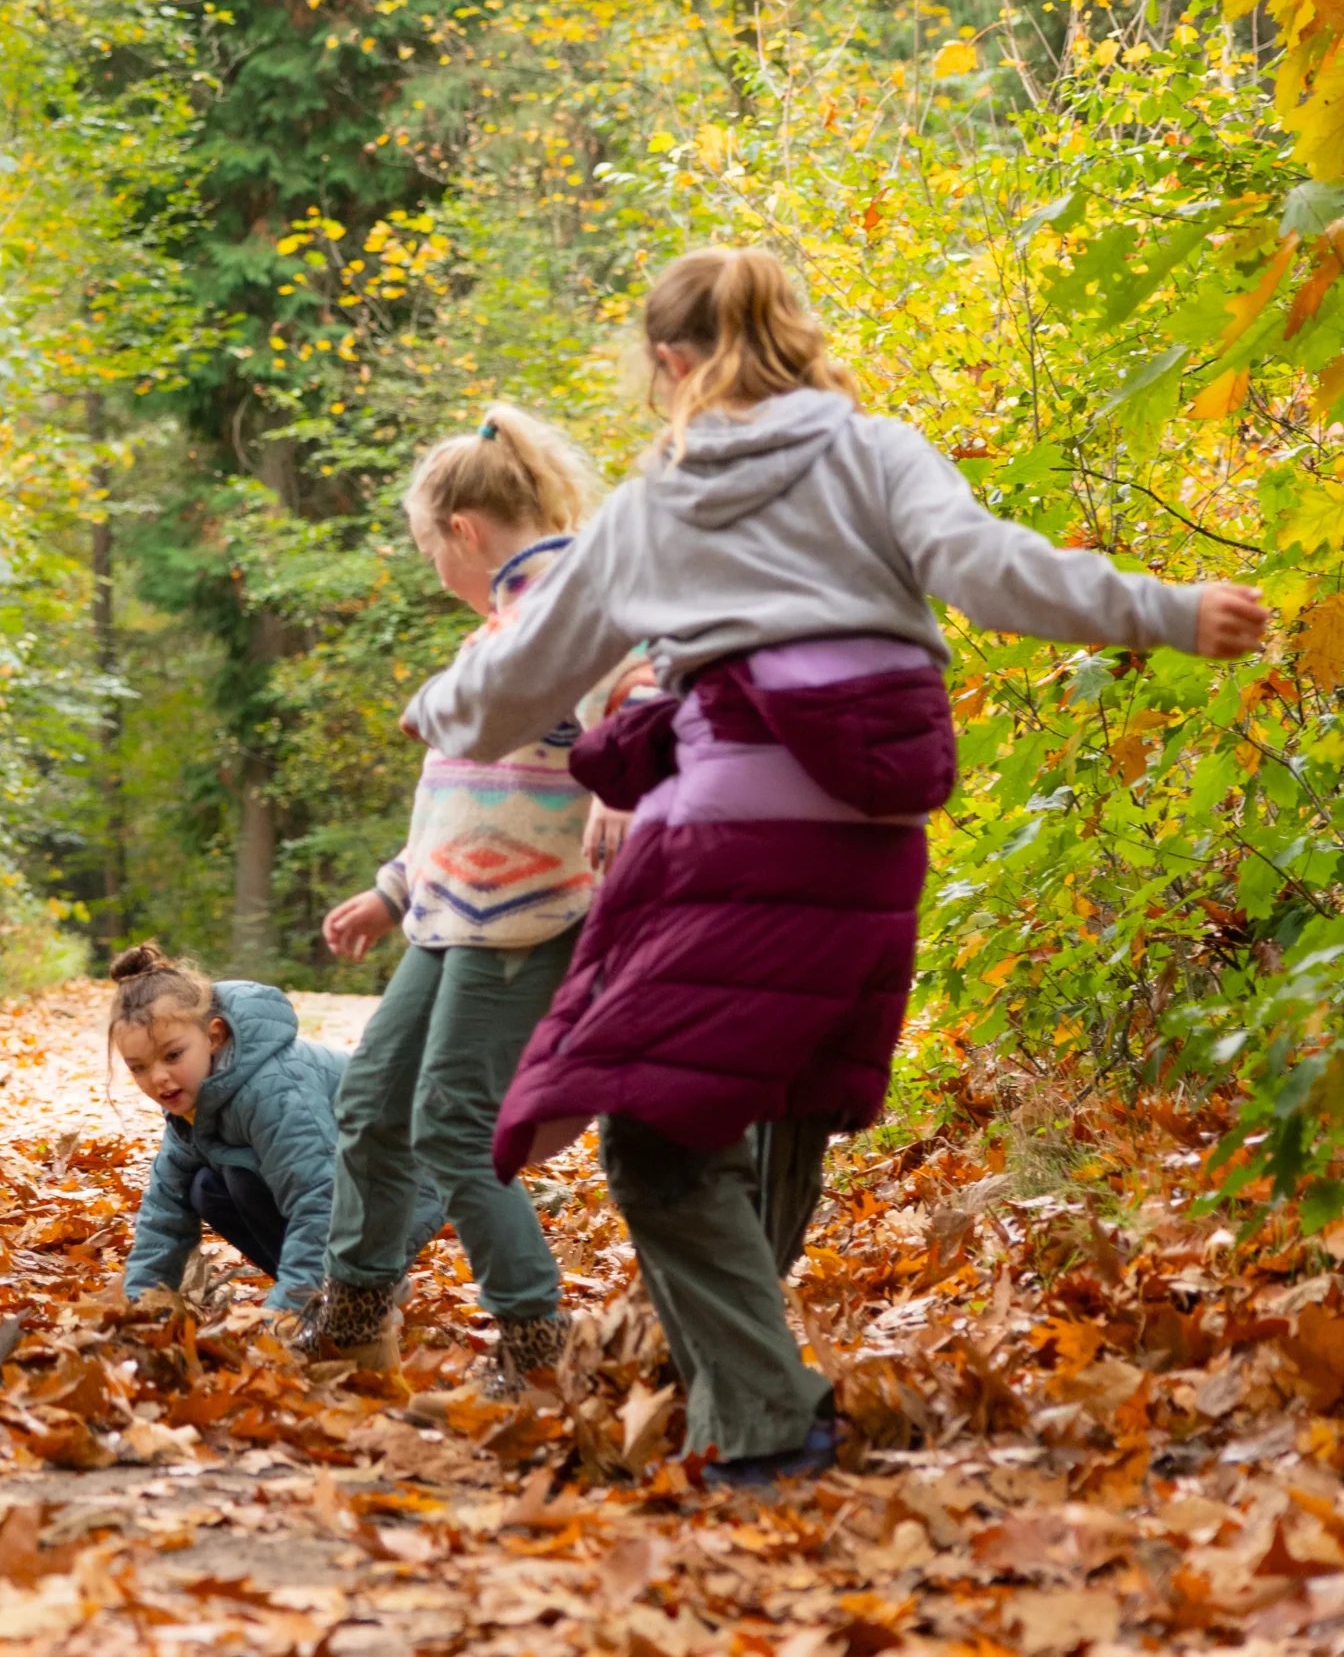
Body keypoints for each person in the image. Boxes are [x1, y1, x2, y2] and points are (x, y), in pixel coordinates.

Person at [401, 246, 1270, 1485]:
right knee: (784, 1092)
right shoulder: (877, 453)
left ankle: (760, 1419)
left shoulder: (664, 498)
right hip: (868, 853)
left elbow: (523, 672)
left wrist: (439, 707)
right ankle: (737, 1407)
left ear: (669, 361)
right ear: (793, 331)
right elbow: (989, 569)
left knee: (654, 1137)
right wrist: (1165, 610)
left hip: (724, 846)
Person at [305, 404, 638, 1392]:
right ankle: (356, 1319)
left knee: (453, 1122)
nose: (432, 574)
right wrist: (389, 891)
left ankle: (536, 1342)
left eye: (426, 550)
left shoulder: (574, 606)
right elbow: (457, 798)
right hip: (447, 916)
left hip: (532, 913)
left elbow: (636, 705)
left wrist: (619, 795)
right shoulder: (496, 632)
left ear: (461, 532)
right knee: (370, 1105)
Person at [114, 945, 442, 1349]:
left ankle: (360, 1290)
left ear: (214, 1036)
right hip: (346, 1196)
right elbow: (164, 1214)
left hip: (401, 1181)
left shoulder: (273, 1089)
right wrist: (140, 1312)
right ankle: (346, 1293)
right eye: (139, 1068)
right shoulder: (196, 1105)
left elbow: (320, 1199)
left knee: (242, 1179)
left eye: (173, 1055)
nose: (158, 1078)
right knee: (204, 1187)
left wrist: (284, 1313)